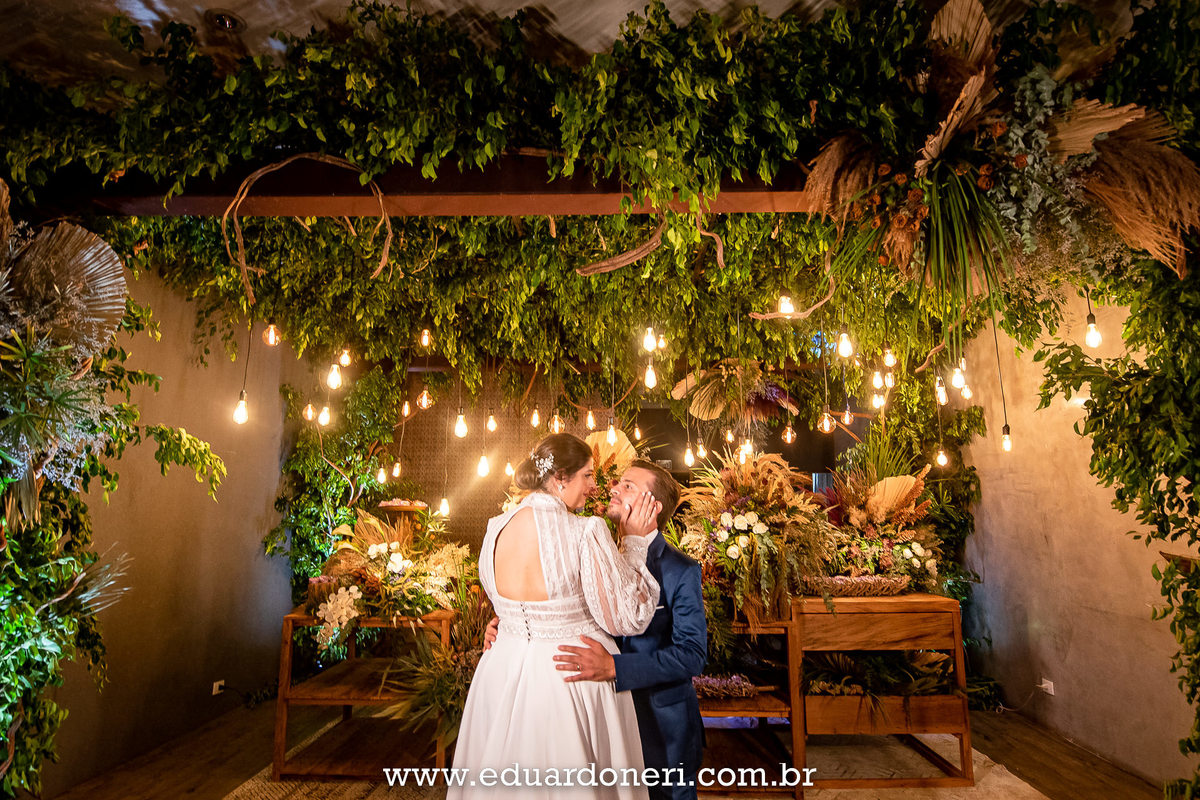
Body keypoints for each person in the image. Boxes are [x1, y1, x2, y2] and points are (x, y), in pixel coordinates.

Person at [450, 433, 662, 800]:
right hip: (568, 676)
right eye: (588, 476)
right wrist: (635, 542)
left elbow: (507, 606)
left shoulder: (494, 528)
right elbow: (629, 617)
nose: (595, 487)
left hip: (500, 671)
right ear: (561, 477)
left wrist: (503, 624)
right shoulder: (585, 531)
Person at [485, 460, 708, 800]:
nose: (614, 488)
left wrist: (615, 667)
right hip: (603, 720)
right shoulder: (594, 546)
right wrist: (512, 626)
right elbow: (564, 608)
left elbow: (692, 655)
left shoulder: (681, 570)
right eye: (618, 482)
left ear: (654, 506)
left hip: (660, 728)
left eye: (629, 486)